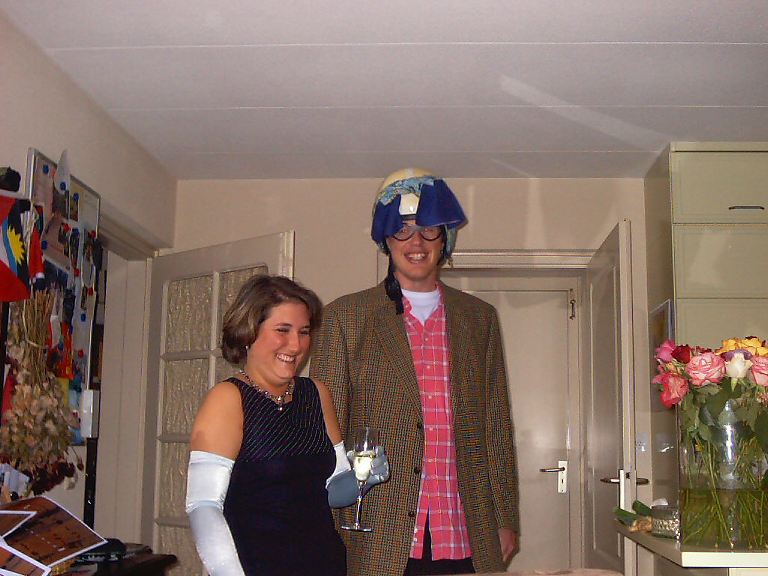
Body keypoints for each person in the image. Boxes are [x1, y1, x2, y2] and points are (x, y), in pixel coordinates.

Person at [310, 168, 520, 576]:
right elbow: (326, 429)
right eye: (402, 230)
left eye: (429, 230)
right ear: (386, 240)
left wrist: (505, 516)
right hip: (376, 524)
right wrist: (326, 518)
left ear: (445, 238)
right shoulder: (346, 317)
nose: (417, 242)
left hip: (466, 525)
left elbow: (496, 425)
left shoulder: (479, 319)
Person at [186, 275, 386, 576]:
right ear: (248, 332)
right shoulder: (227, 399)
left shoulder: (316, 393)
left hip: (325, 565)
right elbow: (203, 506)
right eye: (283, 330)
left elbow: (332, 489)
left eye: (304, 332)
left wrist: (365, 477)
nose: (296, 345)